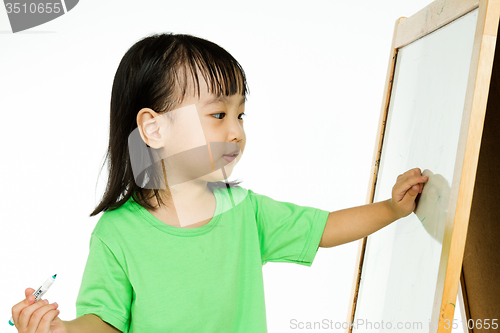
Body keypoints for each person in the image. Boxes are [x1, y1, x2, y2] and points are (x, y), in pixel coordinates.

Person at [10, 33, 428, 333]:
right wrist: (60, 330)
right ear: (153, 130)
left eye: (240, 114)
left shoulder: (245, 210)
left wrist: (391, 208)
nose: (236, 131)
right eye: (218, 114)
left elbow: (325, 228)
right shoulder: (117, 233)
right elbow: (104, 321)